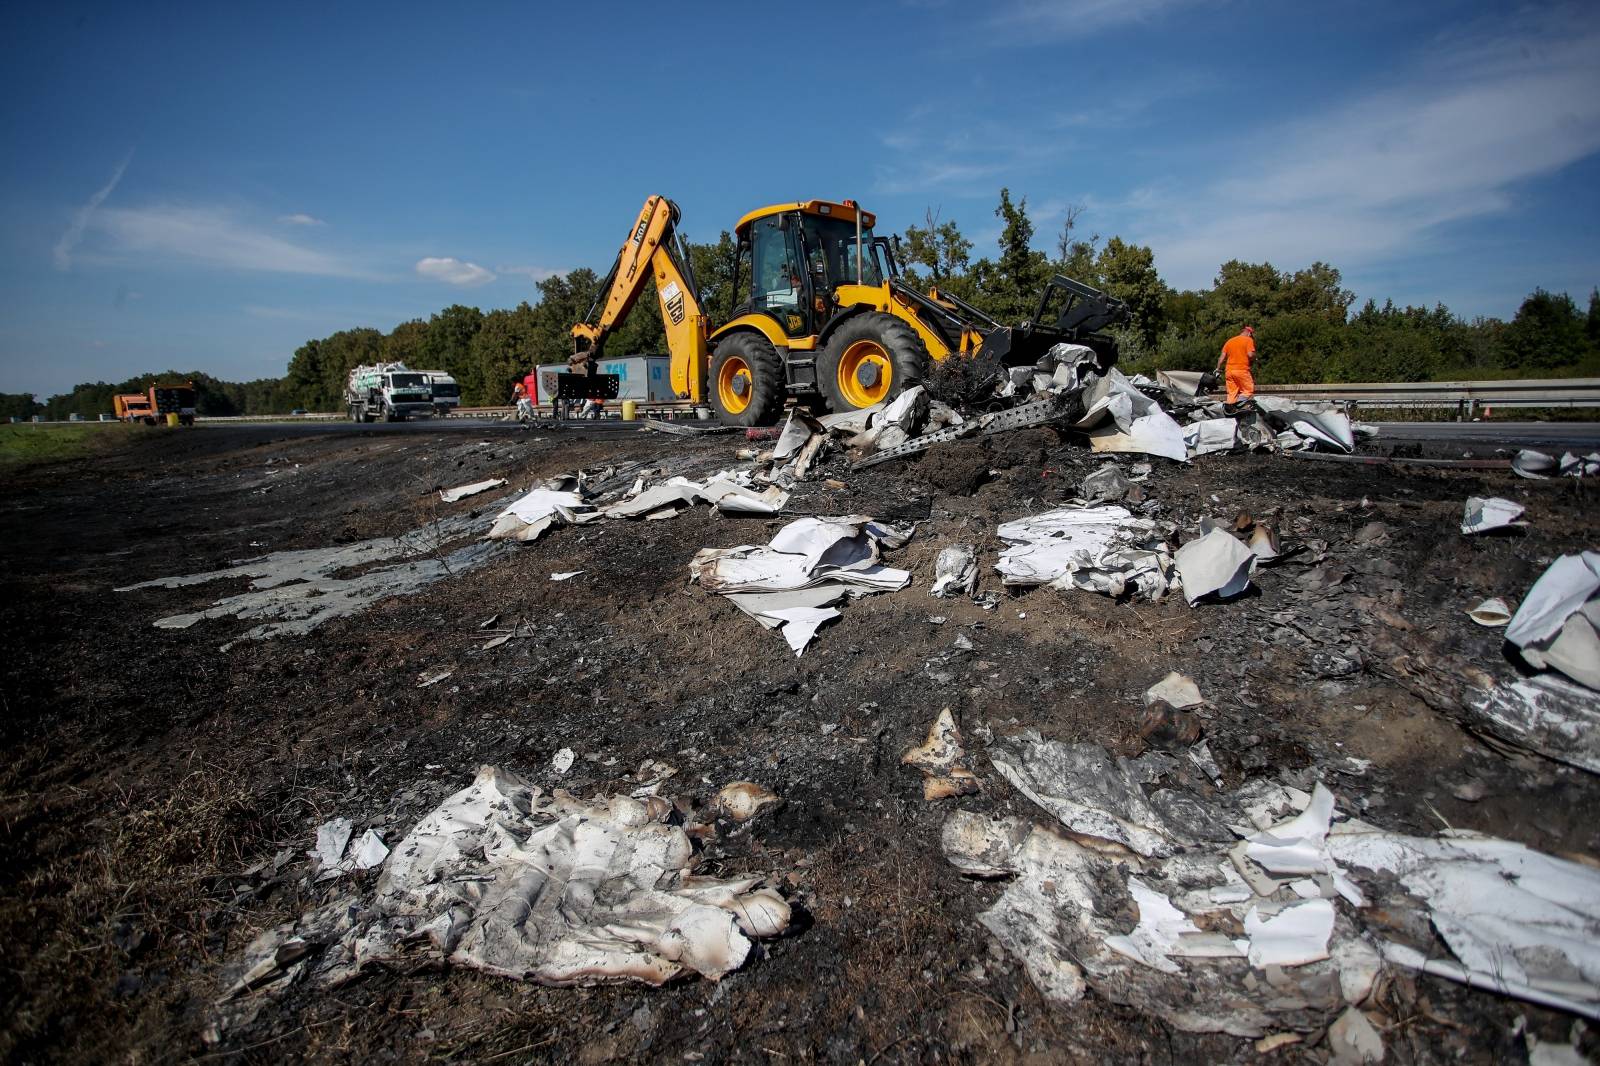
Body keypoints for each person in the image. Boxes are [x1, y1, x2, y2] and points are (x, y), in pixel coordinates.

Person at [1216, 325, 1258, 406]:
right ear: (1249, 333)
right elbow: (1250, 355)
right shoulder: (1248, 340)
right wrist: (1255, 357)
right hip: (1241, 370)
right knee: (1248, 390)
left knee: (1232, 394)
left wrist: (1218, 369)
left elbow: (1221, 357)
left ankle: (1230, 411)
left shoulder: (1229, 341)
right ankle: (1238, 406)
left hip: (1228, 371)